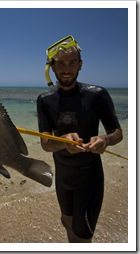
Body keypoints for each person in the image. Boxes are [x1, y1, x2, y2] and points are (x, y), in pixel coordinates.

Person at [37, 35, 123, 243]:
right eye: (61, 63)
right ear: (52, 66)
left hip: (89, 178)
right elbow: (46, 144)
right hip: (63, 176)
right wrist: (64, 142)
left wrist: (105, 140)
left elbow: (117, 132)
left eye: (72, 62)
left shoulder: (97, 95)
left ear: (80, 65)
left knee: (82, 237)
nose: (67, 69)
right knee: (66, 221)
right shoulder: (45, 100)